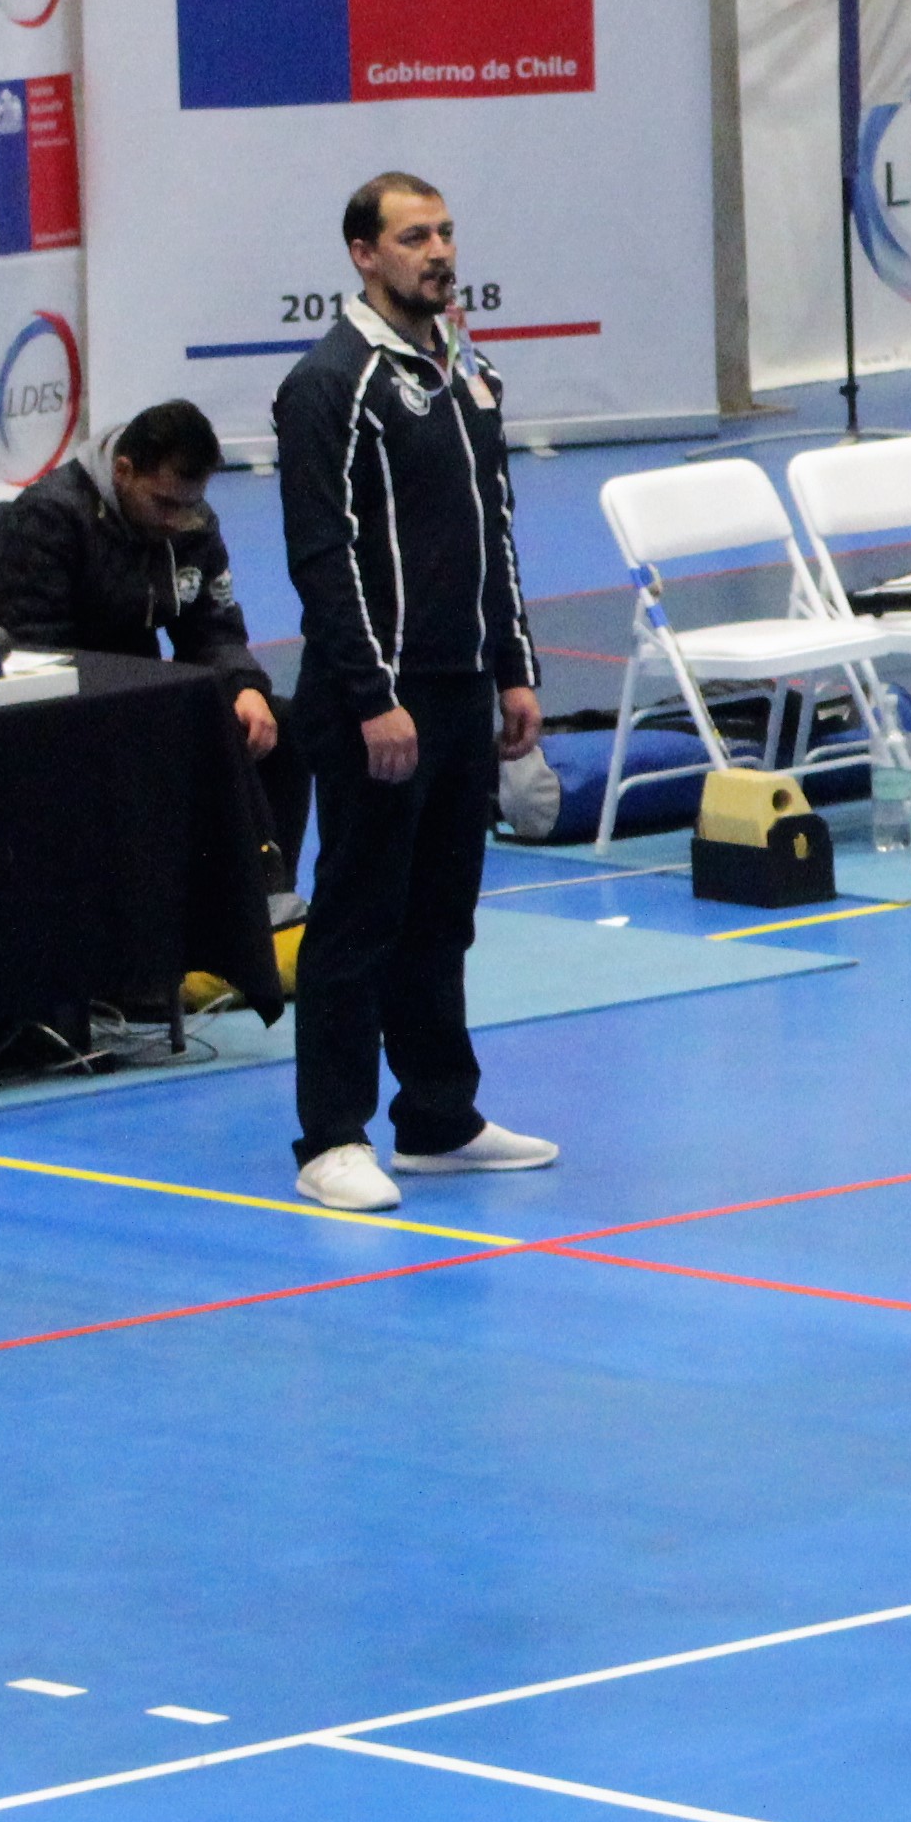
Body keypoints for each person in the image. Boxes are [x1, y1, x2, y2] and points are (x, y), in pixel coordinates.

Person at [272, 175, 552, 1215]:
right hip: (376, 703)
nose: (437, 251)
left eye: (444, 233)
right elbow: (321, 555)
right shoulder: (329, 384)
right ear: (363, 254)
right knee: (358, 919)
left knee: (441, 917)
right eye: (413, 236)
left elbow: (494, 526)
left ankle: (438, 1117)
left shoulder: (466, 371)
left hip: (462, 687)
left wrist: (513, 666)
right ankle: (331, 1138)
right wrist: (370, 696)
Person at [0, 401, 303, 910]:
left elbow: (212, 629)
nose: (177, 520)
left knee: (279, 730)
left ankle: (267, 905)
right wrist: (144, 704)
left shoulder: (192, 524)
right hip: (74, 702)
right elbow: (39, 650)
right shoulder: (51, 516)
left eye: (189, 505)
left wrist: (244, 686)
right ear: (123, 471)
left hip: (139, 688)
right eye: (164, 504)